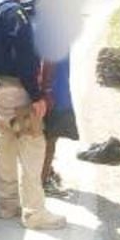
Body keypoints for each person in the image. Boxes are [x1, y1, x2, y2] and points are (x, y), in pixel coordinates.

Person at [0, 0, 66, 230]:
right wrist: (38, 95)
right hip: (17, 91)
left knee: (2, 144)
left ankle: (8, 205)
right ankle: (34, 213)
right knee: (32, 147)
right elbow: (26, 61)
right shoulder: (15, 14)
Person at [41, 55, 79, 196]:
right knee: (50, 139)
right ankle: (43, 182)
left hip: (53, 89)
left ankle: (46, 173)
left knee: (48, 138)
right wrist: (47, 90)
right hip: (54, 93)